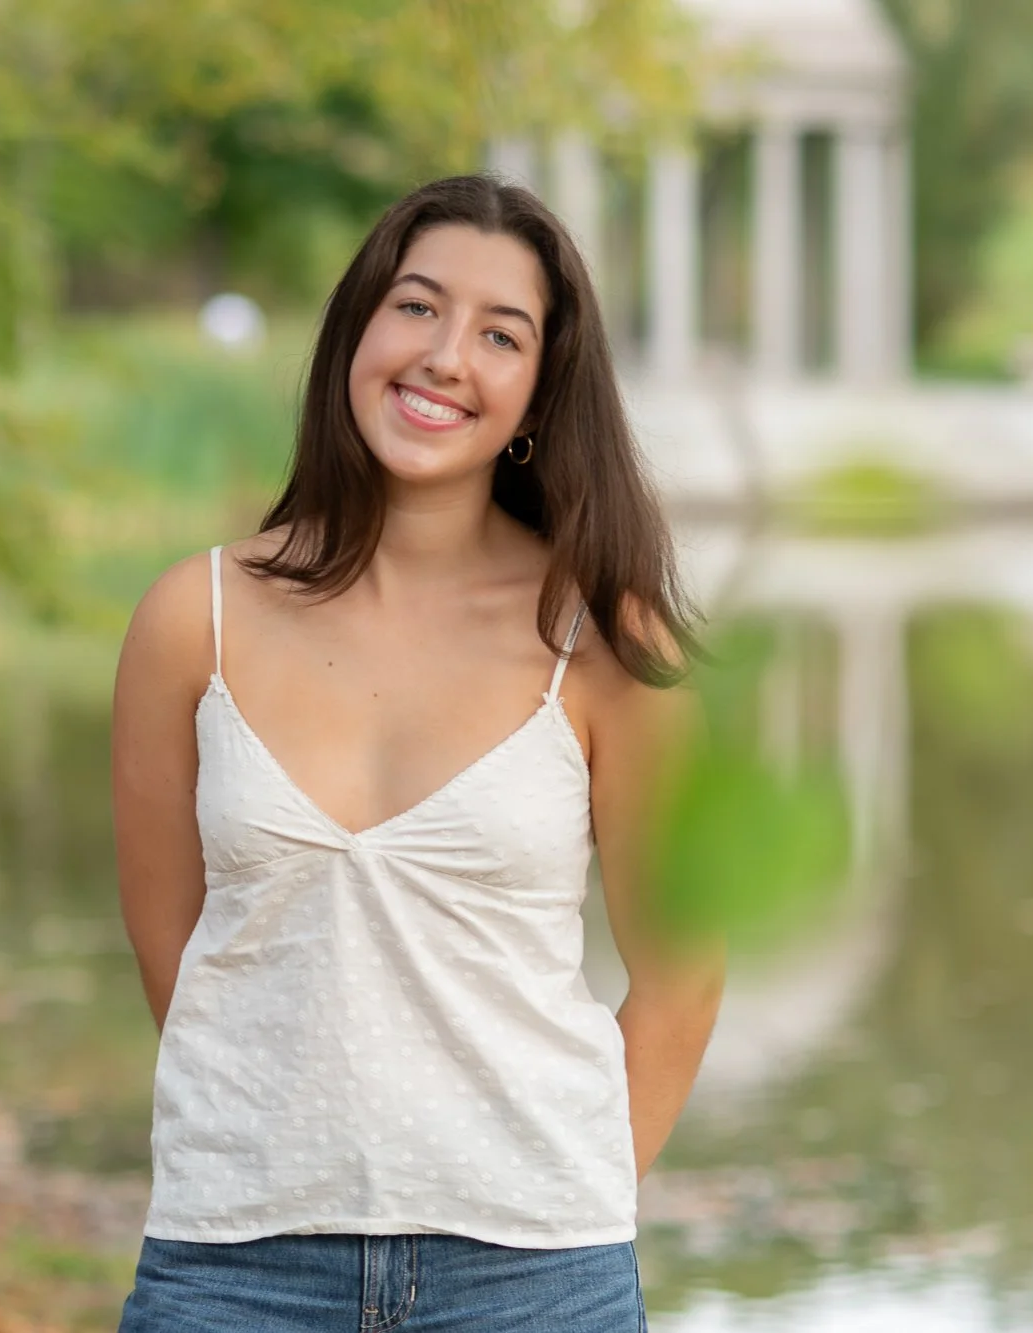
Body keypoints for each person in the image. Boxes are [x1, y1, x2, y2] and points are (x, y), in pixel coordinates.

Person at [109, 174, 726, 1330]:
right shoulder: (191, 619)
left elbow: (682, 977)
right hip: (232, 1271)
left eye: (501, 334)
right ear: (355, 331)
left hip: (532, 1279)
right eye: (416, 307)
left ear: (538, 394)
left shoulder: (600, 636)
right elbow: (175, 955)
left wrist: (565, 1205)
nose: (446, 356)